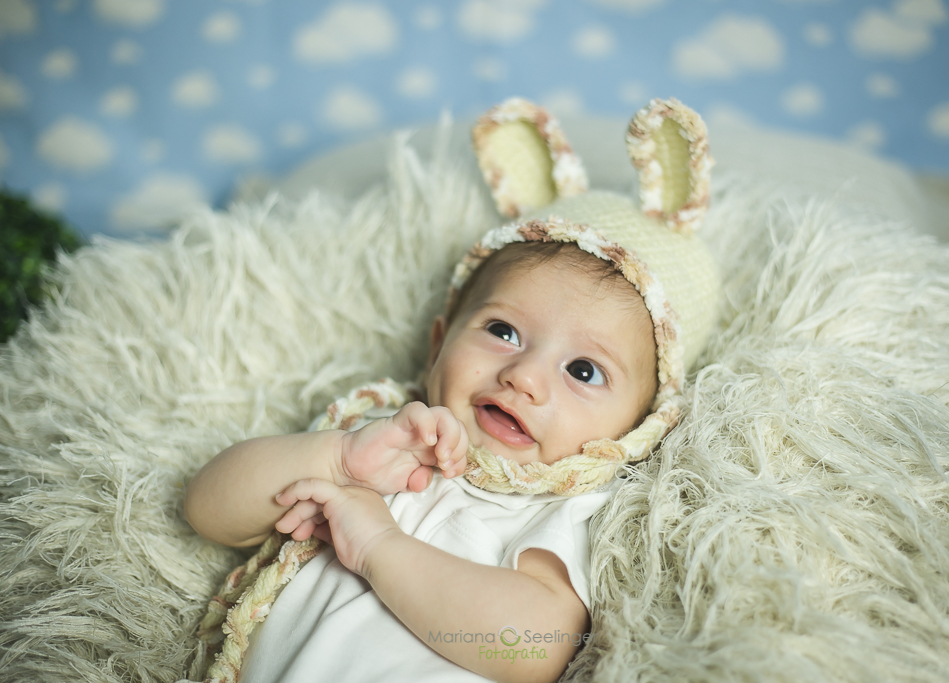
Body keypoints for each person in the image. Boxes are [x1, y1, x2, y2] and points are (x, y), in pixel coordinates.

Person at [184, 97, 721, 683]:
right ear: (439, 339)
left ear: (642, 424)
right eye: (503, 330)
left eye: (584, 371)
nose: (524, 377)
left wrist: (381, 548)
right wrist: (336, 458)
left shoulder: (570, 508)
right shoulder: (382, 435)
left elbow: (535, 647)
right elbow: (207, 510)